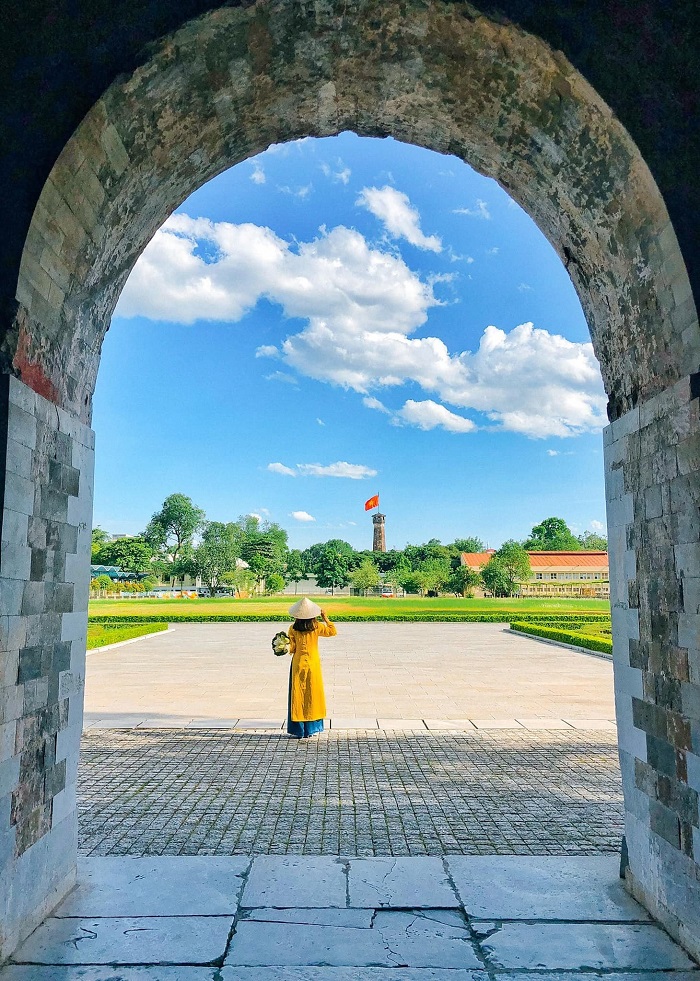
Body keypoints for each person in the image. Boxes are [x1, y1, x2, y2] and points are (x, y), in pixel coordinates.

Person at [286, 596, 337, 738]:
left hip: (298, 663)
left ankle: (299, 730)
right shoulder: (316, 627)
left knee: (298, 694)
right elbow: (332, 631)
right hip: (313, 664)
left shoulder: (293, 628)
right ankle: (311, 728)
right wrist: (325, 617)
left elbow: (292, 648)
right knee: (312, 694)